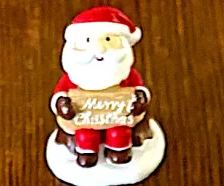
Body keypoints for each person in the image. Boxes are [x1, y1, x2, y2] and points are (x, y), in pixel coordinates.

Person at [51, 7, 151, 168]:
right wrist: (62, 104)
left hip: (118, 120)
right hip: (85, 120)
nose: (98, 50)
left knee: (119, 132)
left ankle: (119, 151)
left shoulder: (125, 74)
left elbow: (139, 88)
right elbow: (60, 93)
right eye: (88, 41)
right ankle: (87, 153)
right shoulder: (74, 76)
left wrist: (140, 99)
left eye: (108, 40)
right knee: (85, 134)